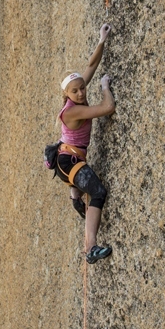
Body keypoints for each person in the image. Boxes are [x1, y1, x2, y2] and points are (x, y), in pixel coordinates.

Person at [57, 23, 115, 264]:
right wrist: (104, 87)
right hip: (69, 162)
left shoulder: (77, 91)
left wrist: (101, 40)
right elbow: (107, 108)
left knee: (86, 182)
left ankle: (75, 194)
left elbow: (91, 65)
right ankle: (90, 248)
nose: (81, 93)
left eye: (83, 88)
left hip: (73, 160)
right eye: (76, 91)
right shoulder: (71, 112)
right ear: (67, 95)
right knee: (98, 192)